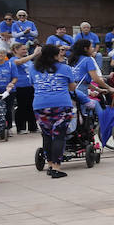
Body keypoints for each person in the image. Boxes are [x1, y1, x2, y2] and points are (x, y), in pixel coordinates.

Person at [27, 43, 79, 178]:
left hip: (40, 105)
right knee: (59, 135)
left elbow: (33, 84)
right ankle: (56, 167)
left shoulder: (33, 68)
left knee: (47, 135)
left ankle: (50, 164)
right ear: (56, 55)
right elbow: (72, 88)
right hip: (61, 105)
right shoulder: (65, 68)